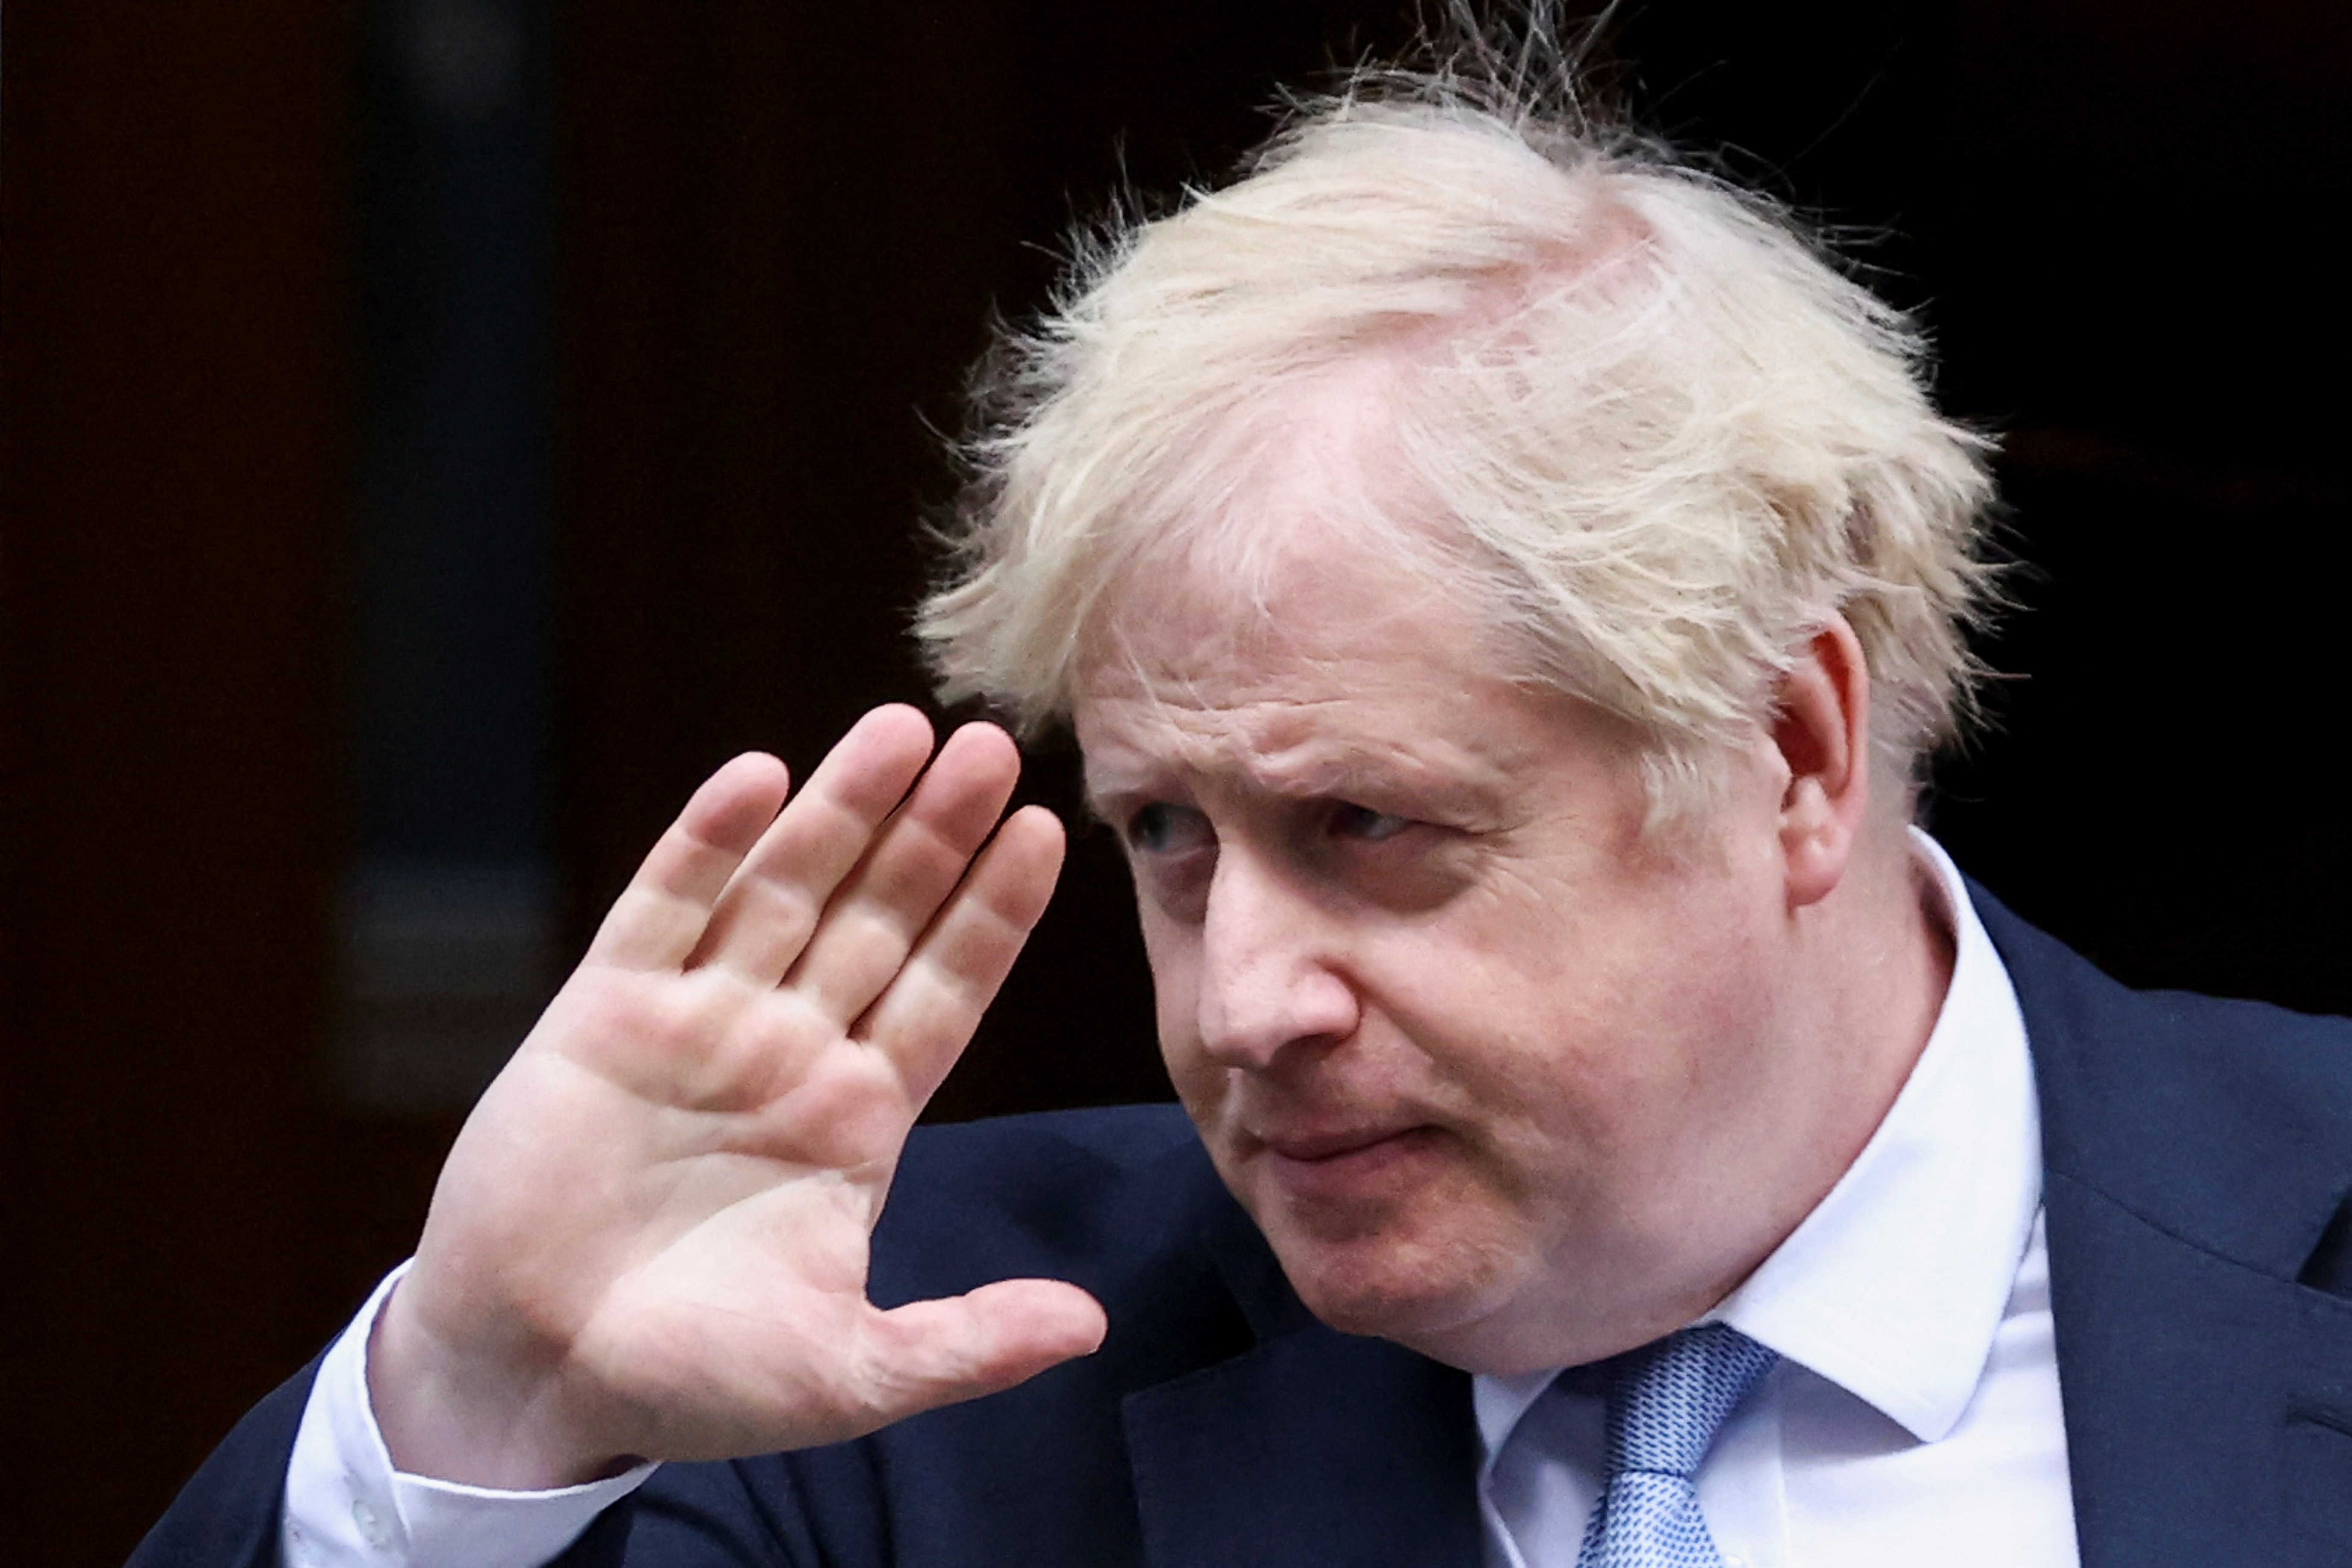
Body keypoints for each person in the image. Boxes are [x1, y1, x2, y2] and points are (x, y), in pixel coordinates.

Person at [137, 14, 2352, 1568]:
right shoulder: (911, 1373)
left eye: (1370, 829)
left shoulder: (2305, 1246)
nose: (1244, 998)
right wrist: (482, 1403)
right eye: (1171, 840)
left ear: (1791, 751)